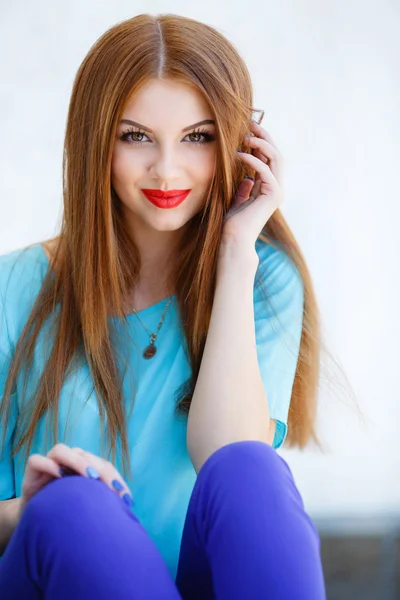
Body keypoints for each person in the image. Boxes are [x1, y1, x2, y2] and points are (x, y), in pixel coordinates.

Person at [0, 13, 326, 599]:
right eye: (136, 136)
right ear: (96, 142)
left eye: (198, 138)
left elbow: (227, 455)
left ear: (236, 144)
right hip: (49, 571)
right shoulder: (14, 286)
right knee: (76, 506)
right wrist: (29, 509)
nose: (167, 169)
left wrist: (233, 251)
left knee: (251, 471)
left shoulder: (261, 278)